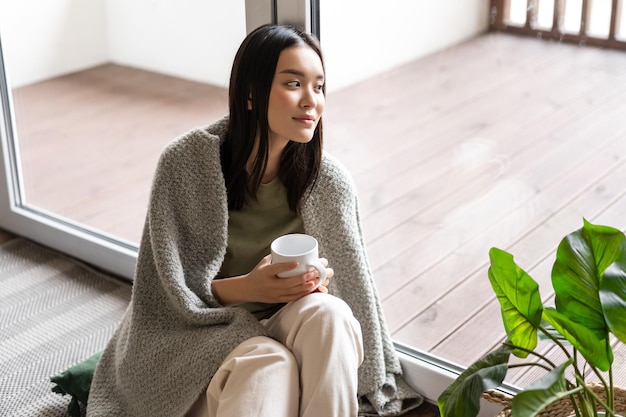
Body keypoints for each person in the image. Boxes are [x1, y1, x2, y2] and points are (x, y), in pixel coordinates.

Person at [86, 24, 422, 417]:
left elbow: (356, 294)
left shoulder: (328, 182)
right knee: (268, 363)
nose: (311, 100)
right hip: (201, 340)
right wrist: (250, 287)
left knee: (331, 315)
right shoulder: (186, 165)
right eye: (294, 83)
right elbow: (162, 298)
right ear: (250, 93)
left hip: (285, 326)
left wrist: (311, 285)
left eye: (319, 87)